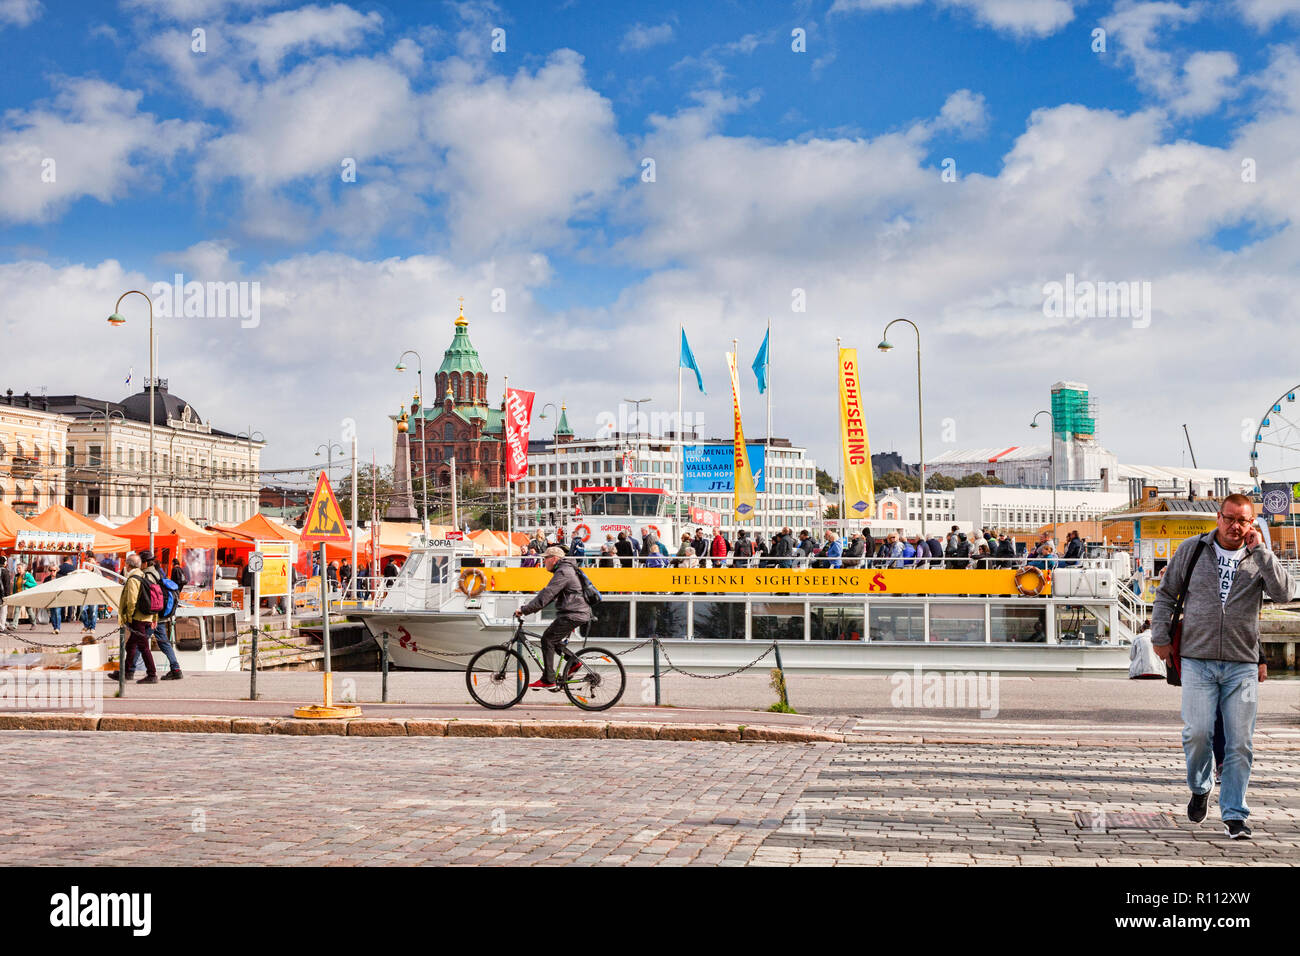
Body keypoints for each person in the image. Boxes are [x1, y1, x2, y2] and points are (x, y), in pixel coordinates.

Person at [1151, 493, 1294, 839]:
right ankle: (1200, 788)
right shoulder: (1193, 549)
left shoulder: (1258, 556)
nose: (1235, 526)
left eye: (1243, 521)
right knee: (1197, 733)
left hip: (1241, 663)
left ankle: (1234, 815)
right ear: (1218, 517)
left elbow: (1286, 593)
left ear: (1252, 523)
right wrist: (1160, 635)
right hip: (1197, 658)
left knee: (1240, 742)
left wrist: (1262, 551)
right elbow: (1167, 593)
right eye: (1229, 518)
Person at [513, 547, 591, 690]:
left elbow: (547, 594)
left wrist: (524, 610)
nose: (543, 561)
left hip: (573, 613)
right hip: (575, 612)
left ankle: (549, 679)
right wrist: (530, 608)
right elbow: (549, 596)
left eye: (545, 558)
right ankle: (573, 663)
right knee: (552, 639)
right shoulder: (565, 570)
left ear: (554, 559)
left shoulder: (563, 572)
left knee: (547, 639)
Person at [115, 552, 159, 684]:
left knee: (143, 647)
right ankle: (126, 672)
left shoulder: (133, 579)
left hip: (138, 618)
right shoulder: (143, 576)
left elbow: (131, 600)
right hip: (146, 616)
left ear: (127, 565)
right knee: (131, 645)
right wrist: (154, 617)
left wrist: (129, 618)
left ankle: (152, 674)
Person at [147, 554, 183, 680]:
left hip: (153, 616)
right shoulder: (161, 574)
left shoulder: (149, 576)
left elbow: (152, 597)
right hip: (162, 615)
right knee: (164, 643)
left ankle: (127, 670)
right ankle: (176, 669)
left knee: (138, 642)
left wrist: (153, 617)